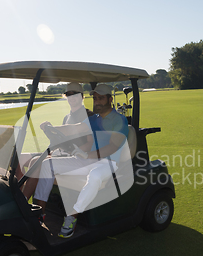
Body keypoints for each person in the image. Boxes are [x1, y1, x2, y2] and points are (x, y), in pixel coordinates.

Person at [28, 84, 128, 238]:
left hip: (108, 163)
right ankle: (39, 215)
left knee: (94, 176)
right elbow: (75, 128)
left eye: (101, 98)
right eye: (95, 99)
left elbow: (112, 147)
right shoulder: (94, 119)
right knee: (47, 164)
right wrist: (52, 127)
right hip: (89, 159)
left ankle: (72, 217)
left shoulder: (119, 120)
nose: (97, 102)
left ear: (110, 99)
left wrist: (88, 155)